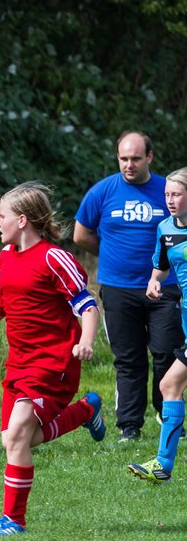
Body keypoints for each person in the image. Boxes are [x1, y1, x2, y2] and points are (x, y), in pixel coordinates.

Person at [0, 183, 107, 535]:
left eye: (1, 216)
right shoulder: (7, 255)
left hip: (53, 360)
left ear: (22, 220)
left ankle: (13, 521)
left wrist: (86, 341)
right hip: (19, 362)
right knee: (15, 440)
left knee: (20, 433)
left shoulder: (54, 257)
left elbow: (86, 305)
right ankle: (86, 410)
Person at [73, 131, 178, 441]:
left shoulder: (167, 191)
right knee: (129, 359)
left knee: (166, 354)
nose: (128, 165)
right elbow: (81, 235)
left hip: (165, 287)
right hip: (118, 289)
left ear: (149, 157)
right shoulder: (102, 191)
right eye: (123, 158)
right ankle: (129, 427)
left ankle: (167, 415)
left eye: (135, 158)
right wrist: (112, 256)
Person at [128, 168, 187, 483]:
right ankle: (162, 466)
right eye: (167, 194)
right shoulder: (165, 228)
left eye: (176, 194)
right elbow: (161, 267)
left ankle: (164, 464)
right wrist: (153, 282)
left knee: (169, 385)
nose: (170, 200)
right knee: (171, 386)